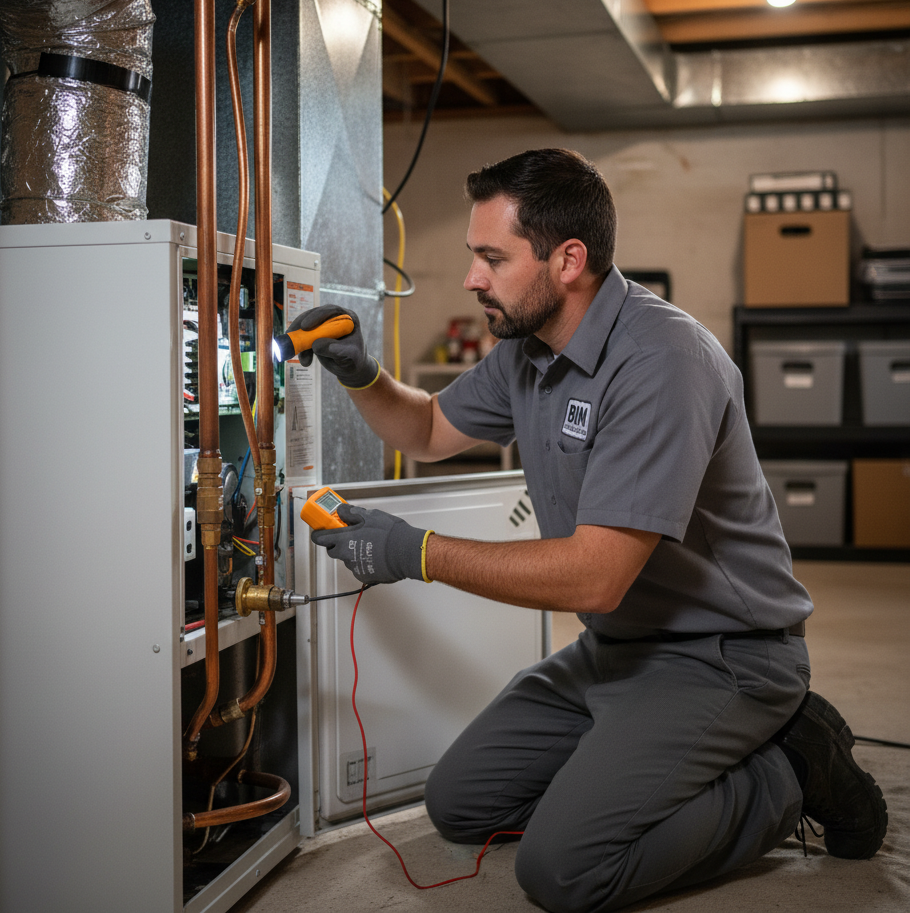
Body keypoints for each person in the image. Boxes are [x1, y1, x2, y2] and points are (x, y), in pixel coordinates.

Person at [293, 149, 887, 913]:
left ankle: (794, 769)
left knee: (564, 871)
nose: (473, 278)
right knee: (462, 804)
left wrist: (416, 553)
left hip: (724, 655)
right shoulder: (527, 350)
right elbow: (431, 430)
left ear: (568, 259)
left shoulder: (661, 361)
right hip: (614, 651)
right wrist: (359, 374)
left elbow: (595, 576)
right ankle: (641, 761)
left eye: (491, 258)